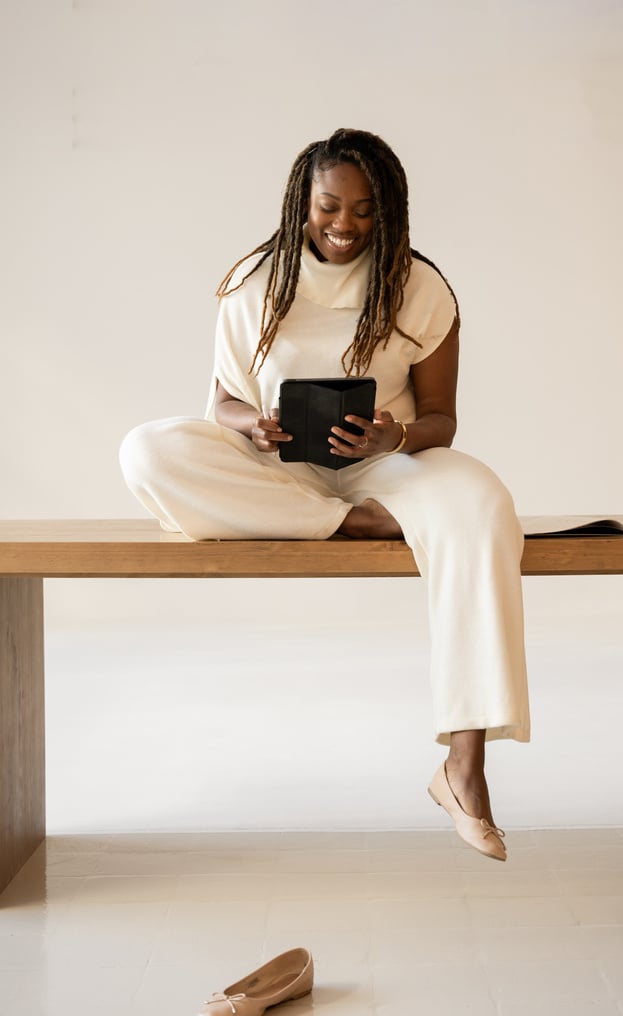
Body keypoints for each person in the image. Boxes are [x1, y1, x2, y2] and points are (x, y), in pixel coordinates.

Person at [120, 128, 530, 861]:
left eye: (365, 211)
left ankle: (463, 767)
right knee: (150, 449)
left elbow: (441, 419)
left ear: (389, 212)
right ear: (300, 203)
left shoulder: (418, 284)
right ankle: (345, 525)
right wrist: (256, 424)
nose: (344, 225)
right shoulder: (255, 279)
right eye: (329, 206)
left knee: (482, 505)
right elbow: (220, 402)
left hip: (384, 468)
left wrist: (391, 438)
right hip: (280, 470)